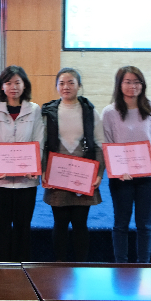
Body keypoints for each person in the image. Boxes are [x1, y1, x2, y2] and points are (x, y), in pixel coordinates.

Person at [41, 67, 104, 262]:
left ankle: (80, 265)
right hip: (57, 174)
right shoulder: (48, 112)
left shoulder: (90, 112)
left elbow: (100, 144)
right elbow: (42, 144)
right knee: (60, 222)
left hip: (83, 174)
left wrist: (99, 173)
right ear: (56, 87)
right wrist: (43, 170)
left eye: (71, 82)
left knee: (79, 222)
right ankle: (59, 265)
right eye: (61, 83)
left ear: (79, 86)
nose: (66, 87)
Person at [103, 66, 151, 263]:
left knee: (145, 225)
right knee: (121, 224)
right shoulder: (110, 112)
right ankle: (121, 265)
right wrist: (120, 168)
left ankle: (143, 265)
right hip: (121, 177)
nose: (133, 86)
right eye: (128, 82)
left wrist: (144, 164)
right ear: (119, 84)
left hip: (149, 176)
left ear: (143, 85)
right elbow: (107, 142)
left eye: (137, 82)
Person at [0, 65, 44, 262]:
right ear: (2, 86)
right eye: (8, 83)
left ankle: (21, 269)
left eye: (17, 82)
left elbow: (39, 141)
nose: (13, 87)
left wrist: (35, 167)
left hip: (26, 182)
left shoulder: (34, 110)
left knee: (23, 228)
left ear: (24, 85)